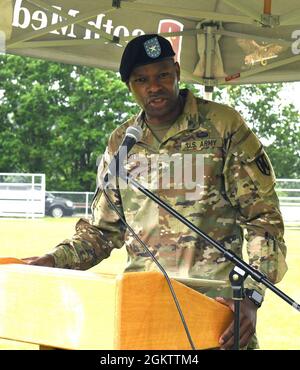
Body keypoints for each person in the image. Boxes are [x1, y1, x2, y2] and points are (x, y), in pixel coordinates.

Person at [23, 34, 288, 350]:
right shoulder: (122, 143)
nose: (154, 86)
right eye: (141, 79)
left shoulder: (222, 126)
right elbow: (101, 233)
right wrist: (54, 261)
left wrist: (251, 295)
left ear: (176, 72)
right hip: (143, 310)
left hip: (215, 311)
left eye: (162, 74)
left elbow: (263, 221)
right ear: (130, 86)